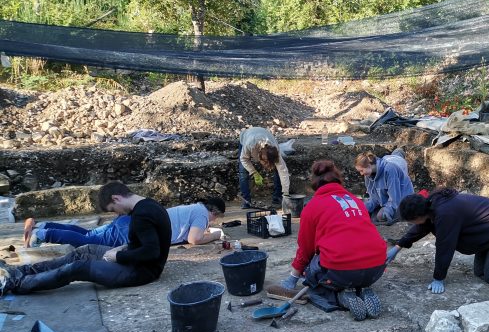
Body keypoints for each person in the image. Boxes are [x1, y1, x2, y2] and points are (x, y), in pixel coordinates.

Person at [0, 181, 171, 295]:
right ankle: (24, 271)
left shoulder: (141, 215)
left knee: (77, 268)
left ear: (116, 198)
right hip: (134, 261)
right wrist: (123, 248)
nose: (116, 214)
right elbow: (146, 241)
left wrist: (118, 256)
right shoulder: (149, 204)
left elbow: (152, 252)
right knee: (84, 250)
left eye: (113, 209)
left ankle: (17, 283)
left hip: (140, 272)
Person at [266, 160, 387, 321]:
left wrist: (292, 278)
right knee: (349, 261)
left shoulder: (313, 206)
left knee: (312, 271)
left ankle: (341, 297)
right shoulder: (356, 201)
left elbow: (306, 249)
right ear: (338, 181)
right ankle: (362, 288)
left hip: (343, 273)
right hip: (376, 269)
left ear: (315, 184)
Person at [386, 188, 489, 293]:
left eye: (411, 221)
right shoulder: (430, 206)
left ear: (418, 215)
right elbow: (422, 227)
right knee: (480, 272)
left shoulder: (445, 214)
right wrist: (398, 246)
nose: (411, 224)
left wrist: (438, 278)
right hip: (487, 231)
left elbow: (445, 247)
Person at [23, 197, 226, 248]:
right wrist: (216, 234)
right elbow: (194, 239)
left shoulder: (193, 208)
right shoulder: (201, 213)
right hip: (135, 229)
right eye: (216, 217)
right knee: (88, 241)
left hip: (129, 222)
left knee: (89, 233)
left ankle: (42, 225)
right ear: (214, 212)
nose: (213, 221)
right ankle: (40, 236)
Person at [354, 148, 414, 225]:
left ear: (369, 166)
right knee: (369, 216)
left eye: (361, 170)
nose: (361, 174)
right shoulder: (368, 175)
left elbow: (395, 198)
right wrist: (363, 209)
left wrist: (387, 212)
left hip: (402, 198)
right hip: (390, 159)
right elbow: (373, 198)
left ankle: (399, 151)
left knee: (381, 217)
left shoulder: (390, 169)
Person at [239, 126, 290, 209]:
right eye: (265, 163)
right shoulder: (249, 145)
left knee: (278, 170)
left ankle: (277, 199)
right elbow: (243, 159)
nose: (266, 166)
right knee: (243, 172)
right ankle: (246, 201)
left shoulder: (274, 149)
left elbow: (283, 171)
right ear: (260, 157)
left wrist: (286, 193)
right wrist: (254, 172)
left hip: (264, 133)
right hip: (246, 136)